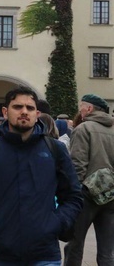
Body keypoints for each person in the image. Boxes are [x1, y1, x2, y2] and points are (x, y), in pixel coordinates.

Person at [0, 86, 83, 266]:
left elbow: (73, 196)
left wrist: (55, 223)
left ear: (37, 113)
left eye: (30, 108)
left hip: (44, 254)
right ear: (5, 111)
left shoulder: (55, 149)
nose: (24, 112)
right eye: (18, 107)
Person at [64, 94, 114, 266]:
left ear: (89, 109)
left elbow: (77, 164)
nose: (80, 111)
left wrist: (73, 195)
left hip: (86, 194)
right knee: (107, 250)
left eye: (81, 107)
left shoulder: (83, 129)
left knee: (75, 246)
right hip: (110, 195)